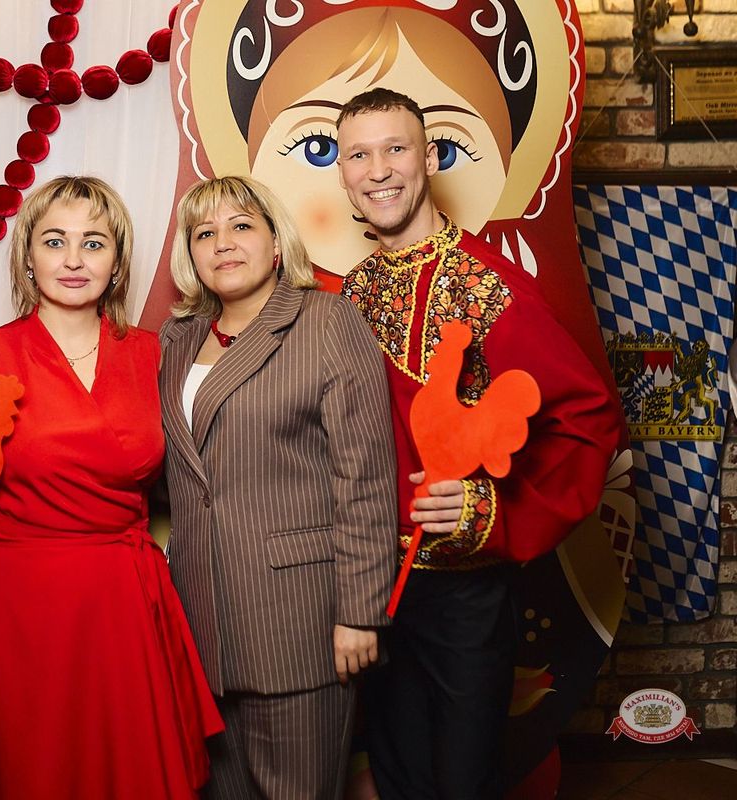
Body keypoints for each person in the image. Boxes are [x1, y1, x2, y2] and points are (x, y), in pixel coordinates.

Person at [334, 88, 623, 800]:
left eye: (396, 149)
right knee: (396, 775)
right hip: (372, 588)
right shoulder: (354, 292)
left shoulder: (487, 287)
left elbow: (588, 418)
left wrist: (489, 509)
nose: (378, 170)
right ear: (341, 170)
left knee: (464, 781)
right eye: (358, 155)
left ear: (430, 157)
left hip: (461, 592)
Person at [0, 176, 223, 799]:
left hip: (123, 607)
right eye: (54, 241)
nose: (73, 260)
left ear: (117, 262)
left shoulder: (153, 355)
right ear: (27, 256)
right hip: (19, 612)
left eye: (93, 243)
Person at [160, 174, 398, 798]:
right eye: (204, 233)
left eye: (242, 225)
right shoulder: (175, 341)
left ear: (275, 241)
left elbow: (366, 478)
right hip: (200, 620)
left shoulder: (326, 321)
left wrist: (360, 613)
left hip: (296, 620)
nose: (223, 243)